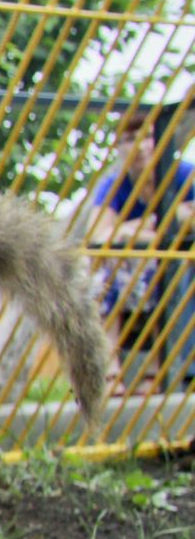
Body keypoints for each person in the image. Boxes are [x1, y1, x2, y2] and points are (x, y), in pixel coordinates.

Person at [85, 106, 195, 391]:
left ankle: (156, 374)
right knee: (100, 273)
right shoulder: (115, 184)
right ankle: (110, 372)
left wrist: (129, 229)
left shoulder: (184, 175)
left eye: (147, 137)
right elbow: (98, 236)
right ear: (119, 147)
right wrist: (158, 224)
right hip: (132, 269)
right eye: (130, 138)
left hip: (179, 264)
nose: (141, 146)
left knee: (168, 269)